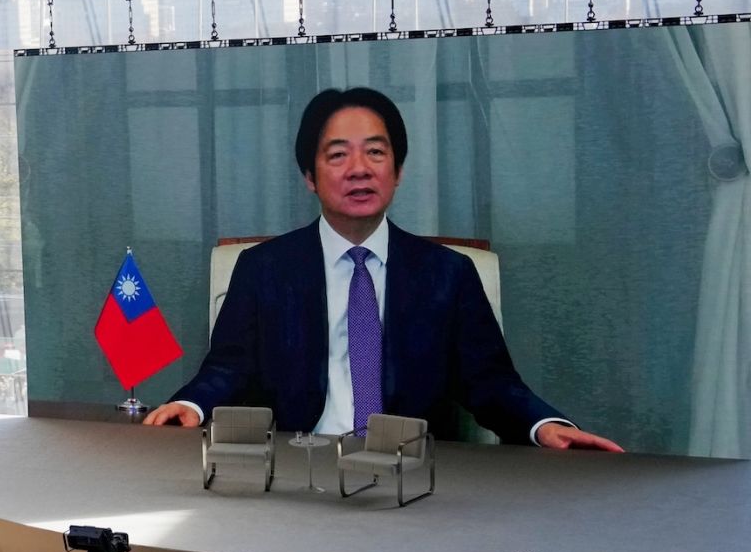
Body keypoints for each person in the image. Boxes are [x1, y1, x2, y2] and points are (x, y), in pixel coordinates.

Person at [144, 88, 621, 450]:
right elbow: (227, 368)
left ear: (398, 169)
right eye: (337, 155)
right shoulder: (263, 269)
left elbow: (492, 383)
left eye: (375, 152)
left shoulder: (447, 275)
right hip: (297, 466)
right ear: (309, 177)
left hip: (411, 474)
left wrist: (544, 427)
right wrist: (190, 405)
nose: (359, 168)